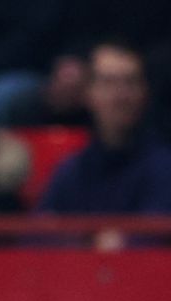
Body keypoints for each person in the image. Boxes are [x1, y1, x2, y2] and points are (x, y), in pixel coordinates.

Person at [39, 40, 171, 214]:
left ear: (145, 93)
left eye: (130, 82)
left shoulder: (164, 168)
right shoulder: (72, 170)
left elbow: (155, 235)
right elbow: (39, 232)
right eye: (109, 82)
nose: (121, 95)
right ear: (87, 93)